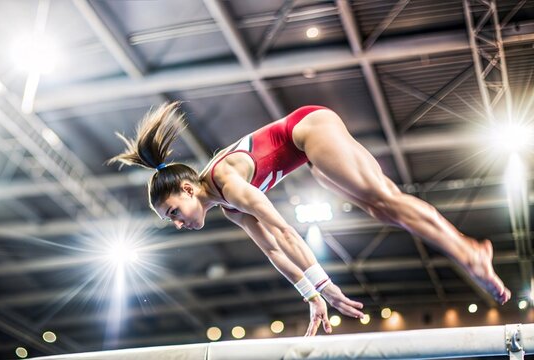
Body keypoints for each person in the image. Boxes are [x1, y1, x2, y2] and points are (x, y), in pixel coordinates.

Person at [108, 102, 511, 336]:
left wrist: (326, 283)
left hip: (309, 128)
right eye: (171, 220)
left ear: (189, 190)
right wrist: (312, 294)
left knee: (382, 197)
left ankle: (470, 254)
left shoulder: (227, 181)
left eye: (174, 212)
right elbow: (272, 251)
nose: (178, 223)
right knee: (382, 206)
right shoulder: (228, 207)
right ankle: (470, 251)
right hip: (308, 146)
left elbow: (284, 231)